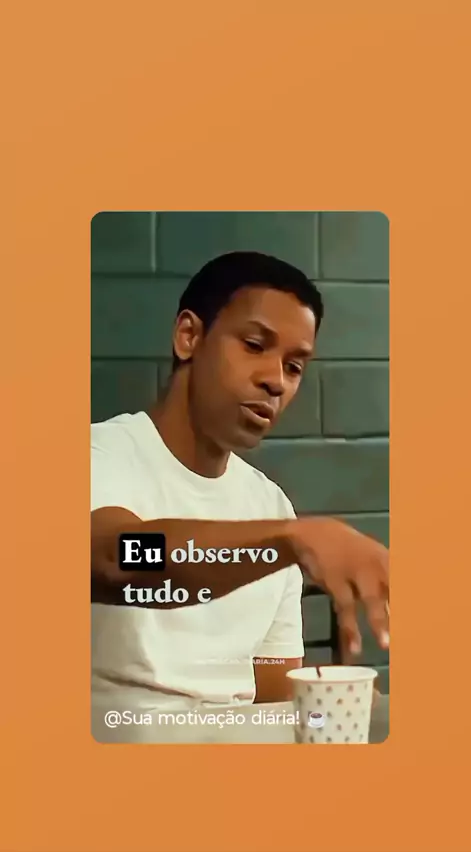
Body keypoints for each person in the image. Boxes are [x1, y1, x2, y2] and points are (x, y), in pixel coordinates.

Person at [91, 251, 389, 711]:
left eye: (294, 366)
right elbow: (119, 557)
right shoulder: (99, 455)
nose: (276, 381)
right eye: (254, 345)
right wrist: (287, 541)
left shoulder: (271, 506)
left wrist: (349, 702)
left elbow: (271, 690)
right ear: (189, 336)